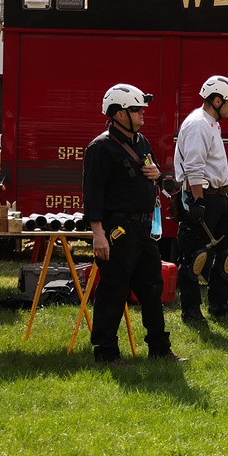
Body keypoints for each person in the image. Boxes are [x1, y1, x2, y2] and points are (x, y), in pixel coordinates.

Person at [82, 84, 185, 366]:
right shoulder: (100, 148)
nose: (142, 115)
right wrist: (99, 235)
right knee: (114, 290)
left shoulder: (141, 142)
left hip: (142, 229)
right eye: (136, 110)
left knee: (152, 288)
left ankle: (160, 349)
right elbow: (93, 194)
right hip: (118, 230)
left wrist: (156, 175)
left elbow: (151, 175)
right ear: (118, 114)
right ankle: (105, 353)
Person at [174, 75, 228, 325]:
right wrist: (197, 201)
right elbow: (193, 166)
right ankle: (191, 312)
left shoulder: (211, 122)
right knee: (195, 257)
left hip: (219, 195)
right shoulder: (198, 124)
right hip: (202, 196)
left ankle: (219, 304)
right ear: (216, 100)